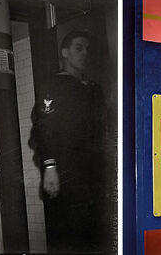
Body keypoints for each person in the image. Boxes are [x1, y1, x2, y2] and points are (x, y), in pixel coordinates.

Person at [29, 31, 111, 253]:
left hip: (94, 173)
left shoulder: (94, 89)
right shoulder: (54, 85)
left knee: (95, 236)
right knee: (68, 238)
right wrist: (50, 167)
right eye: (78, 48)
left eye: (87, 49)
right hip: (66, 173)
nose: (84, 53)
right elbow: (43, 130)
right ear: (65, 53)